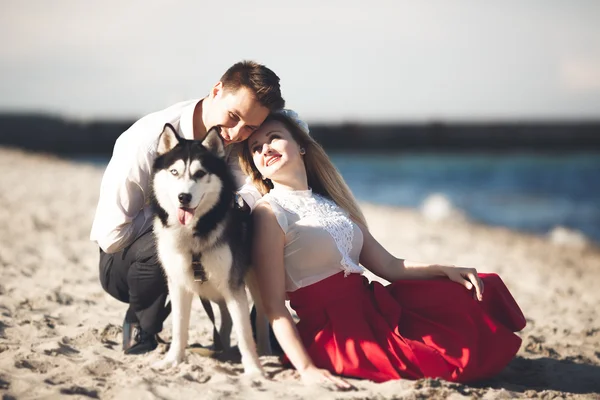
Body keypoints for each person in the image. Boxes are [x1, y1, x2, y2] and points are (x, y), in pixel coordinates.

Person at [238, 112, 527, 388]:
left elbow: (389, 266)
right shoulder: (270, 212)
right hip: (339, 332)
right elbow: (274, 305)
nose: (265, 149)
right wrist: (306, 368)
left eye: (274, 137)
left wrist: (445, 270)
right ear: (255, 165)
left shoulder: (331, 204)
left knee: (471, 290)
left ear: (301, 146)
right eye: (255, 147)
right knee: (446, 363)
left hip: (376, 308)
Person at [90, 60, 285, 355]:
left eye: (251, 127)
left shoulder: (235, 135)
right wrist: (177, 212)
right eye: (233, 116)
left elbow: (253, 187)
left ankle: (265, 322)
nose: (235, 133)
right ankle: (141, 322)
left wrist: (221, 207)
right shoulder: (144, 143)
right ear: (217, 90)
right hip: (125, 261)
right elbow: (111, 237)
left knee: (268, 217)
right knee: (172, 239)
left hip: (209, 239)